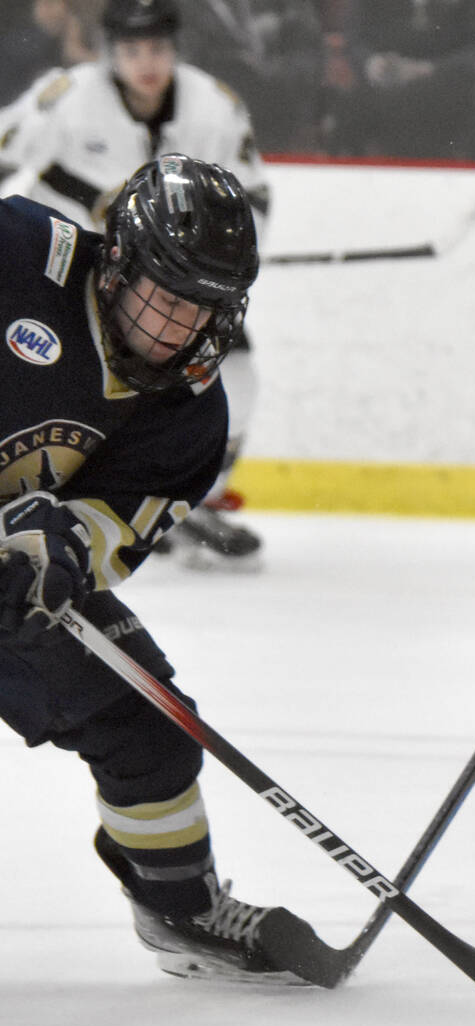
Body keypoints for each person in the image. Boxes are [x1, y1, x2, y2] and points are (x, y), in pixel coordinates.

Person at [1, 153, 310, 984]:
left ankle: (182, 909)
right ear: (118, 265)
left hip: (6, 589)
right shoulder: (17, 252)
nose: (179, 329)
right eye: (165, 298)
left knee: (151, 725)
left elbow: (116, 526)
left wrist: (54, 549)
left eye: (203, 309)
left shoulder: (189, 415)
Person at [0, 0, 269, 570]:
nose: (146, 63)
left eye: (157, 49)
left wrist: (209, 269)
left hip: (176, 290)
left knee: (235, 375)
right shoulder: (67, 97)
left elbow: (252, 199)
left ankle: (192, 498)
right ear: (109, 53)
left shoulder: (215, 107)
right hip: (70, 283)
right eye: (131, 51)